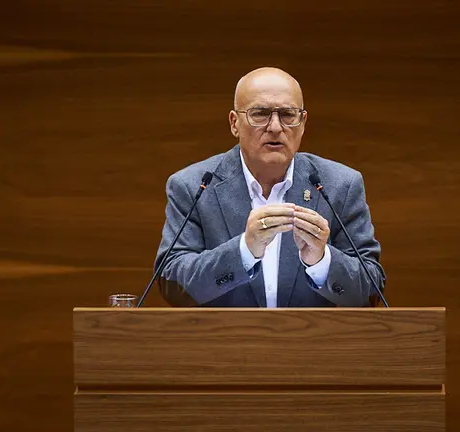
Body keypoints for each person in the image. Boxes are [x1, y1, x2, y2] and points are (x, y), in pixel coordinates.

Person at [154, 67, 385, 307]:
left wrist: (322, 261)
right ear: (234, 123)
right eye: (260, 114)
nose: (275, 127)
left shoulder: (340, 185)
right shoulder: (194, 186)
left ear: (303, 123)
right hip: (225, 332)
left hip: (312, 332)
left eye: (287, 115)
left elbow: (372, 290)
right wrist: (243, 251)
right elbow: (172, 285)